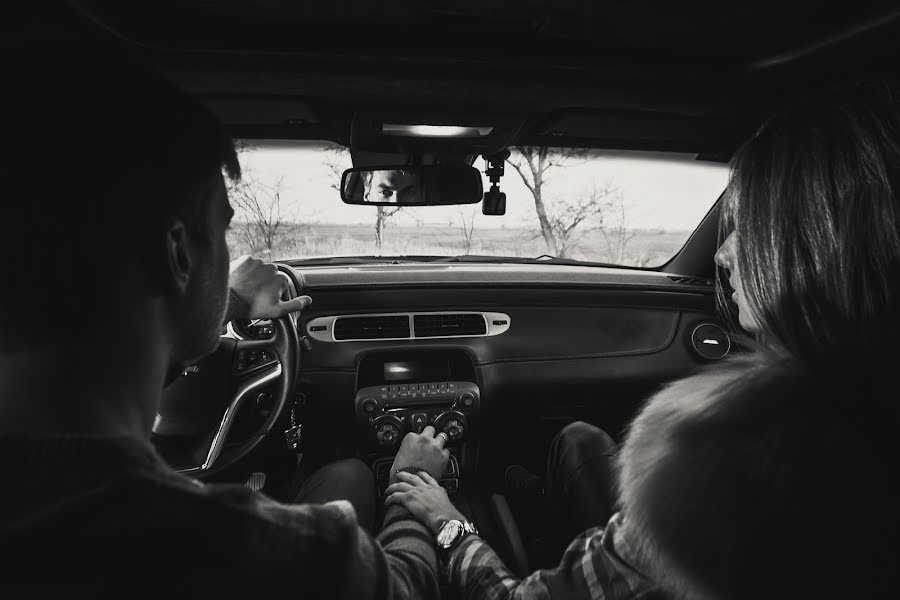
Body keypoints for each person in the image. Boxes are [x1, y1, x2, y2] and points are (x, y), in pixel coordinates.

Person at [387, 80, 900, 598]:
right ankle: (532, 492)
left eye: (748, 225)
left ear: (810, 245)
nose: (723, 256)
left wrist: (444, 519)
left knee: (573, 444)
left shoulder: (725, 487)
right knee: (578, 438)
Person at [0, 48, 450, 596]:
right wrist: (413, 482)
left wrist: (227, 301)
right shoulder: (246, 555)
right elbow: (408, 586)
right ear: (180, 253)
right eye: (223, 230)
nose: (230, 255)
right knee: (353, 478)